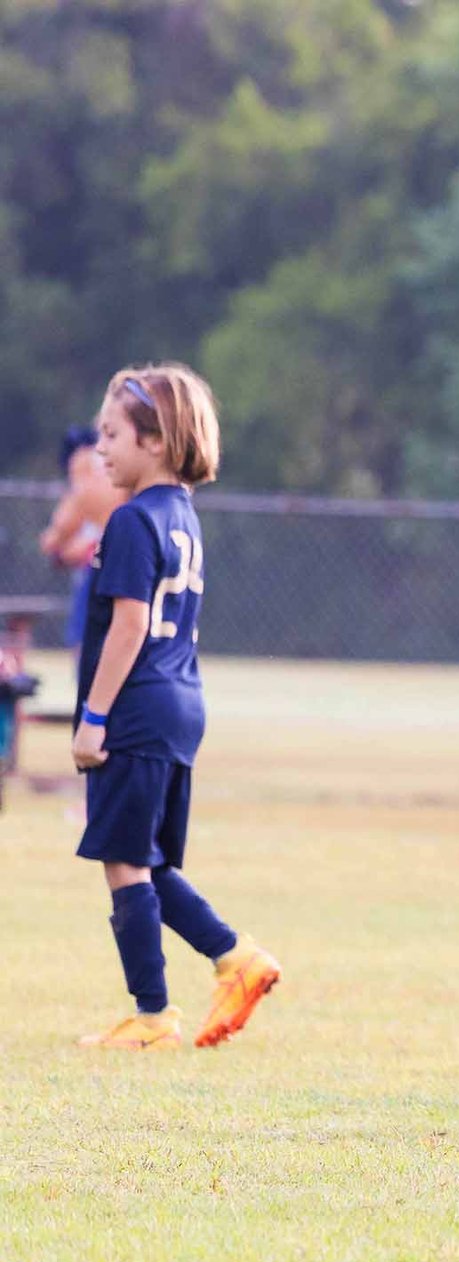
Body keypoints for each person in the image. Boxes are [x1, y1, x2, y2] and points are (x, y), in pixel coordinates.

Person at [73, 364, 282, 1051]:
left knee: (125, 861)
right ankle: (234, 960)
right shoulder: (181, 515)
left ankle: (156, 1013)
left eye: (112, 433)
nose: (100, 448)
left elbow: (130, 624)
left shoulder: (133, 519)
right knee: (149, 859)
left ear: (157, 442)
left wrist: (95, 715)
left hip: (137, 708)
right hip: (179, 703)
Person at [38, 425, 123, 652]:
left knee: (86, 638)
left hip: (100, 569)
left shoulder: (86, 466)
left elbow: (56, 535)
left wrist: (58, 544)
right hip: (114, 565)